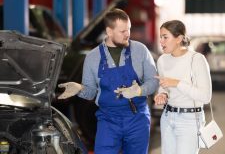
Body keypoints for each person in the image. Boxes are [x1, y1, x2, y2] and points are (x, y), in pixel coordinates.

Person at [58, 8, 158, 154]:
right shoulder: (92, 57)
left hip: (137, 119)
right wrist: (79, 88)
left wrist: (139, 90)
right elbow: (91, 92)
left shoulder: (140, 51)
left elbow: (153, 81)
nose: (128, 34)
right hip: (108, 120)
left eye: (129, 29)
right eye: (122, 31)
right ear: (109, 32)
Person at [154, 20, 212, 154]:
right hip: (167, 117)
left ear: (179, 38)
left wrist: (177, 83)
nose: (161, 42)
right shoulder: (162, 60)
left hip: (190, 120)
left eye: (165, 37)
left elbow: (206, 96)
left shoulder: (196, 59)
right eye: (160, 37)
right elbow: (164, 85)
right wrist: (163, 94)